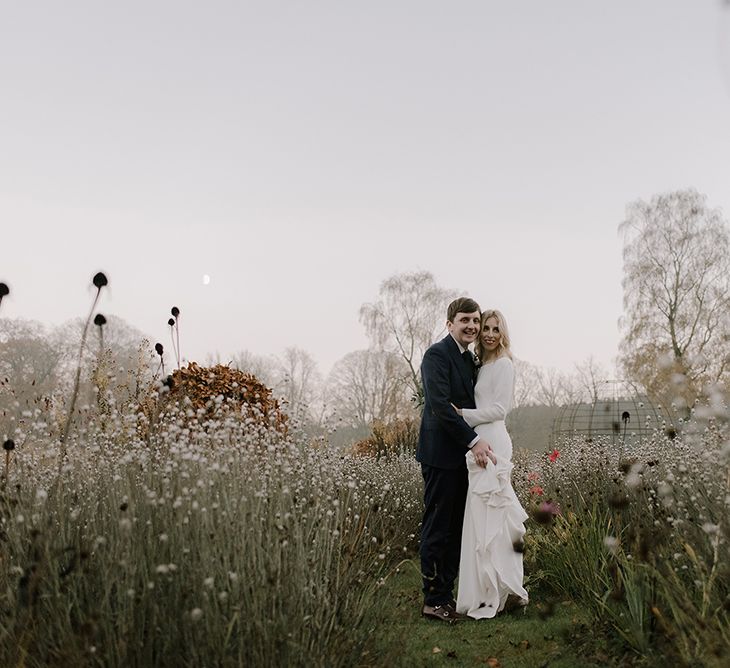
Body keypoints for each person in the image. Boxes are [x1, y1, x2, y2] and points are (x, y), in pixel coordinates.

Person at [416, 297, 496, 623]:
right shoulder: (437, 355)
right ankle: (433, 599)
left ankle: (447, 595)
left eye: (475, 321)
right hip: (440, 456)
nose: (472, 326)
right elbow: (440, 407)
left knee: (456, 529)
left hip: (462, 458)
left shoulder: (467, 359)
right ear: (450, 324)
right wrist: (475, 441)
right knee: (438, 527)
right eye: (465, 320)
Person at [454, 309, 529, 618]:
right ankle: (486, 591)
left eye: (495, 329)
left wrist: (463, 415)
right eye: (485, 327)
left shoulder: (504, 365)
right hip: (477, 443)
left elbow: (499, 409)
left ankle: (510, 588)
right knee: (481, 520)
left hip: (494, 442)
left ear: (503, 333)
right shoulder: (480, 366)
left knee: (497, 518)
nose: (488, 333)